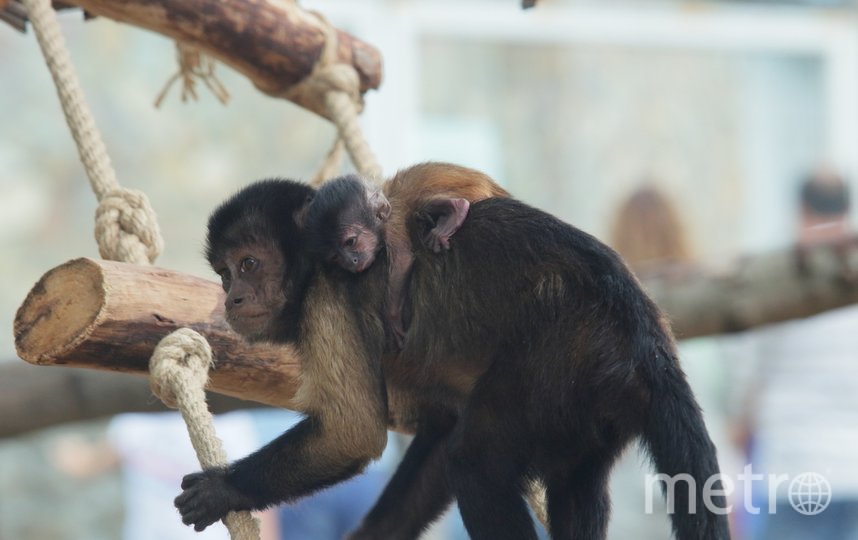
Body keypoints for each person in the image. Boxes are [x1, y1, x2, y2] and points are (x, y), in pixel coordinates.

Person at [729, 169, 858, 540]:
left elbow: (748, 376)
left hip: (794, 472)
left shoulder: (779, 272)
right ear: (847, 208)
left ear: (801, 208)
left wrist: (740, 426)